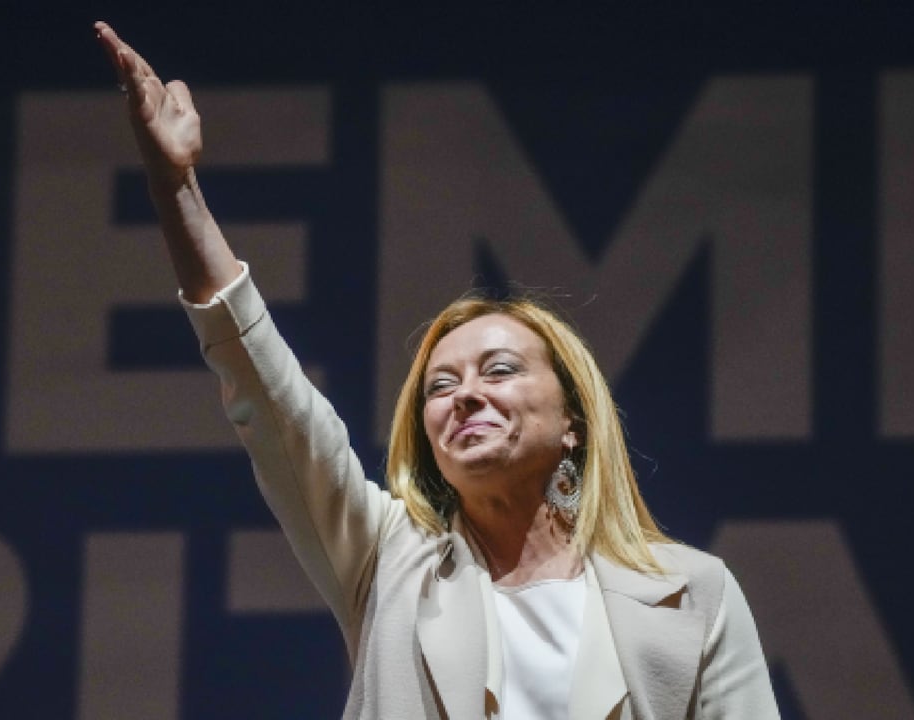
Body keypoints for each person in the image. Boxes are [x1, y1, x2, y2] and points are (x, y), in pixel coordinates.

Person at [94, 21, 781, 720]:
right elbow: (274, 401)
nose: (466, 396)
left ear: (573, 419)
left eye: (500, 370)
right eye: (441, 386)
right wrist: (174, 187)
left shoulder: (692, 593)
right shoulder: (385, 560)